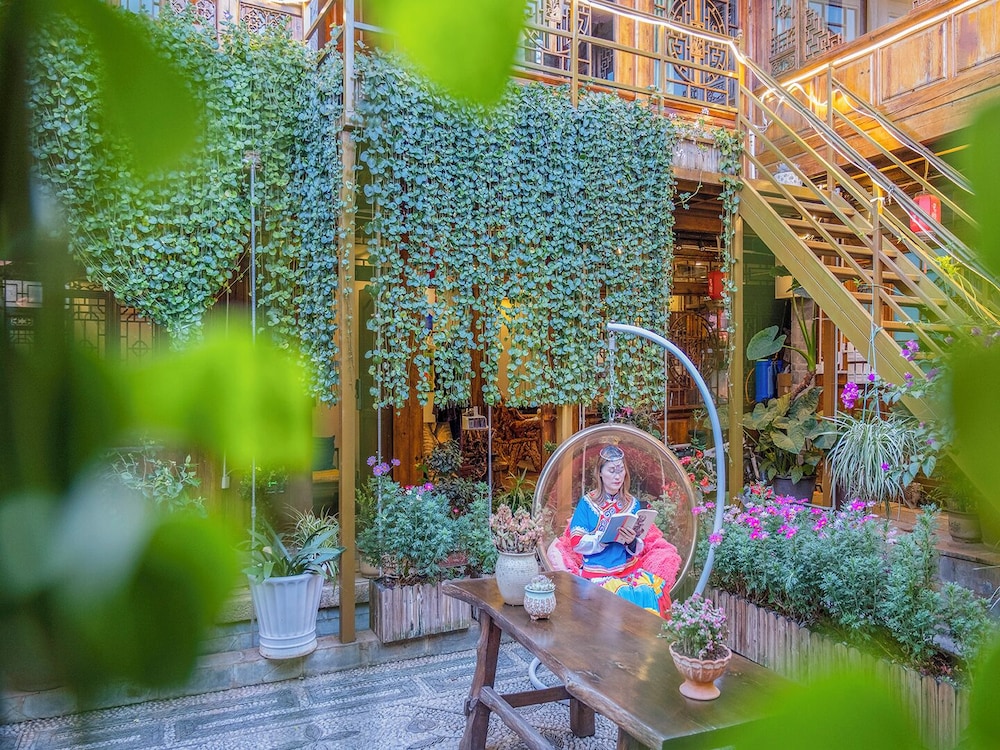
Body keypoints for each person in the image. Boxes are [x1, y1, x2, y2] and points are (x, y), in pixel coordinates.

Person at [558, 443, 680, 617]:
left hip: (629, 569)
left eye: (621, 470)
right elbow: (576, 543)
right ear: (600, 472)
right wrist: (601, 539)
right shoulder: (587, 503)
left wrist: (631, 541)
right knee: (619, 598)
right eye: (612, 470)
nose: (617, 476)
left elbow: (638, 545)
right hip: (598, 574)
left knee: (650, 592)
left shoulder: (633, 503)